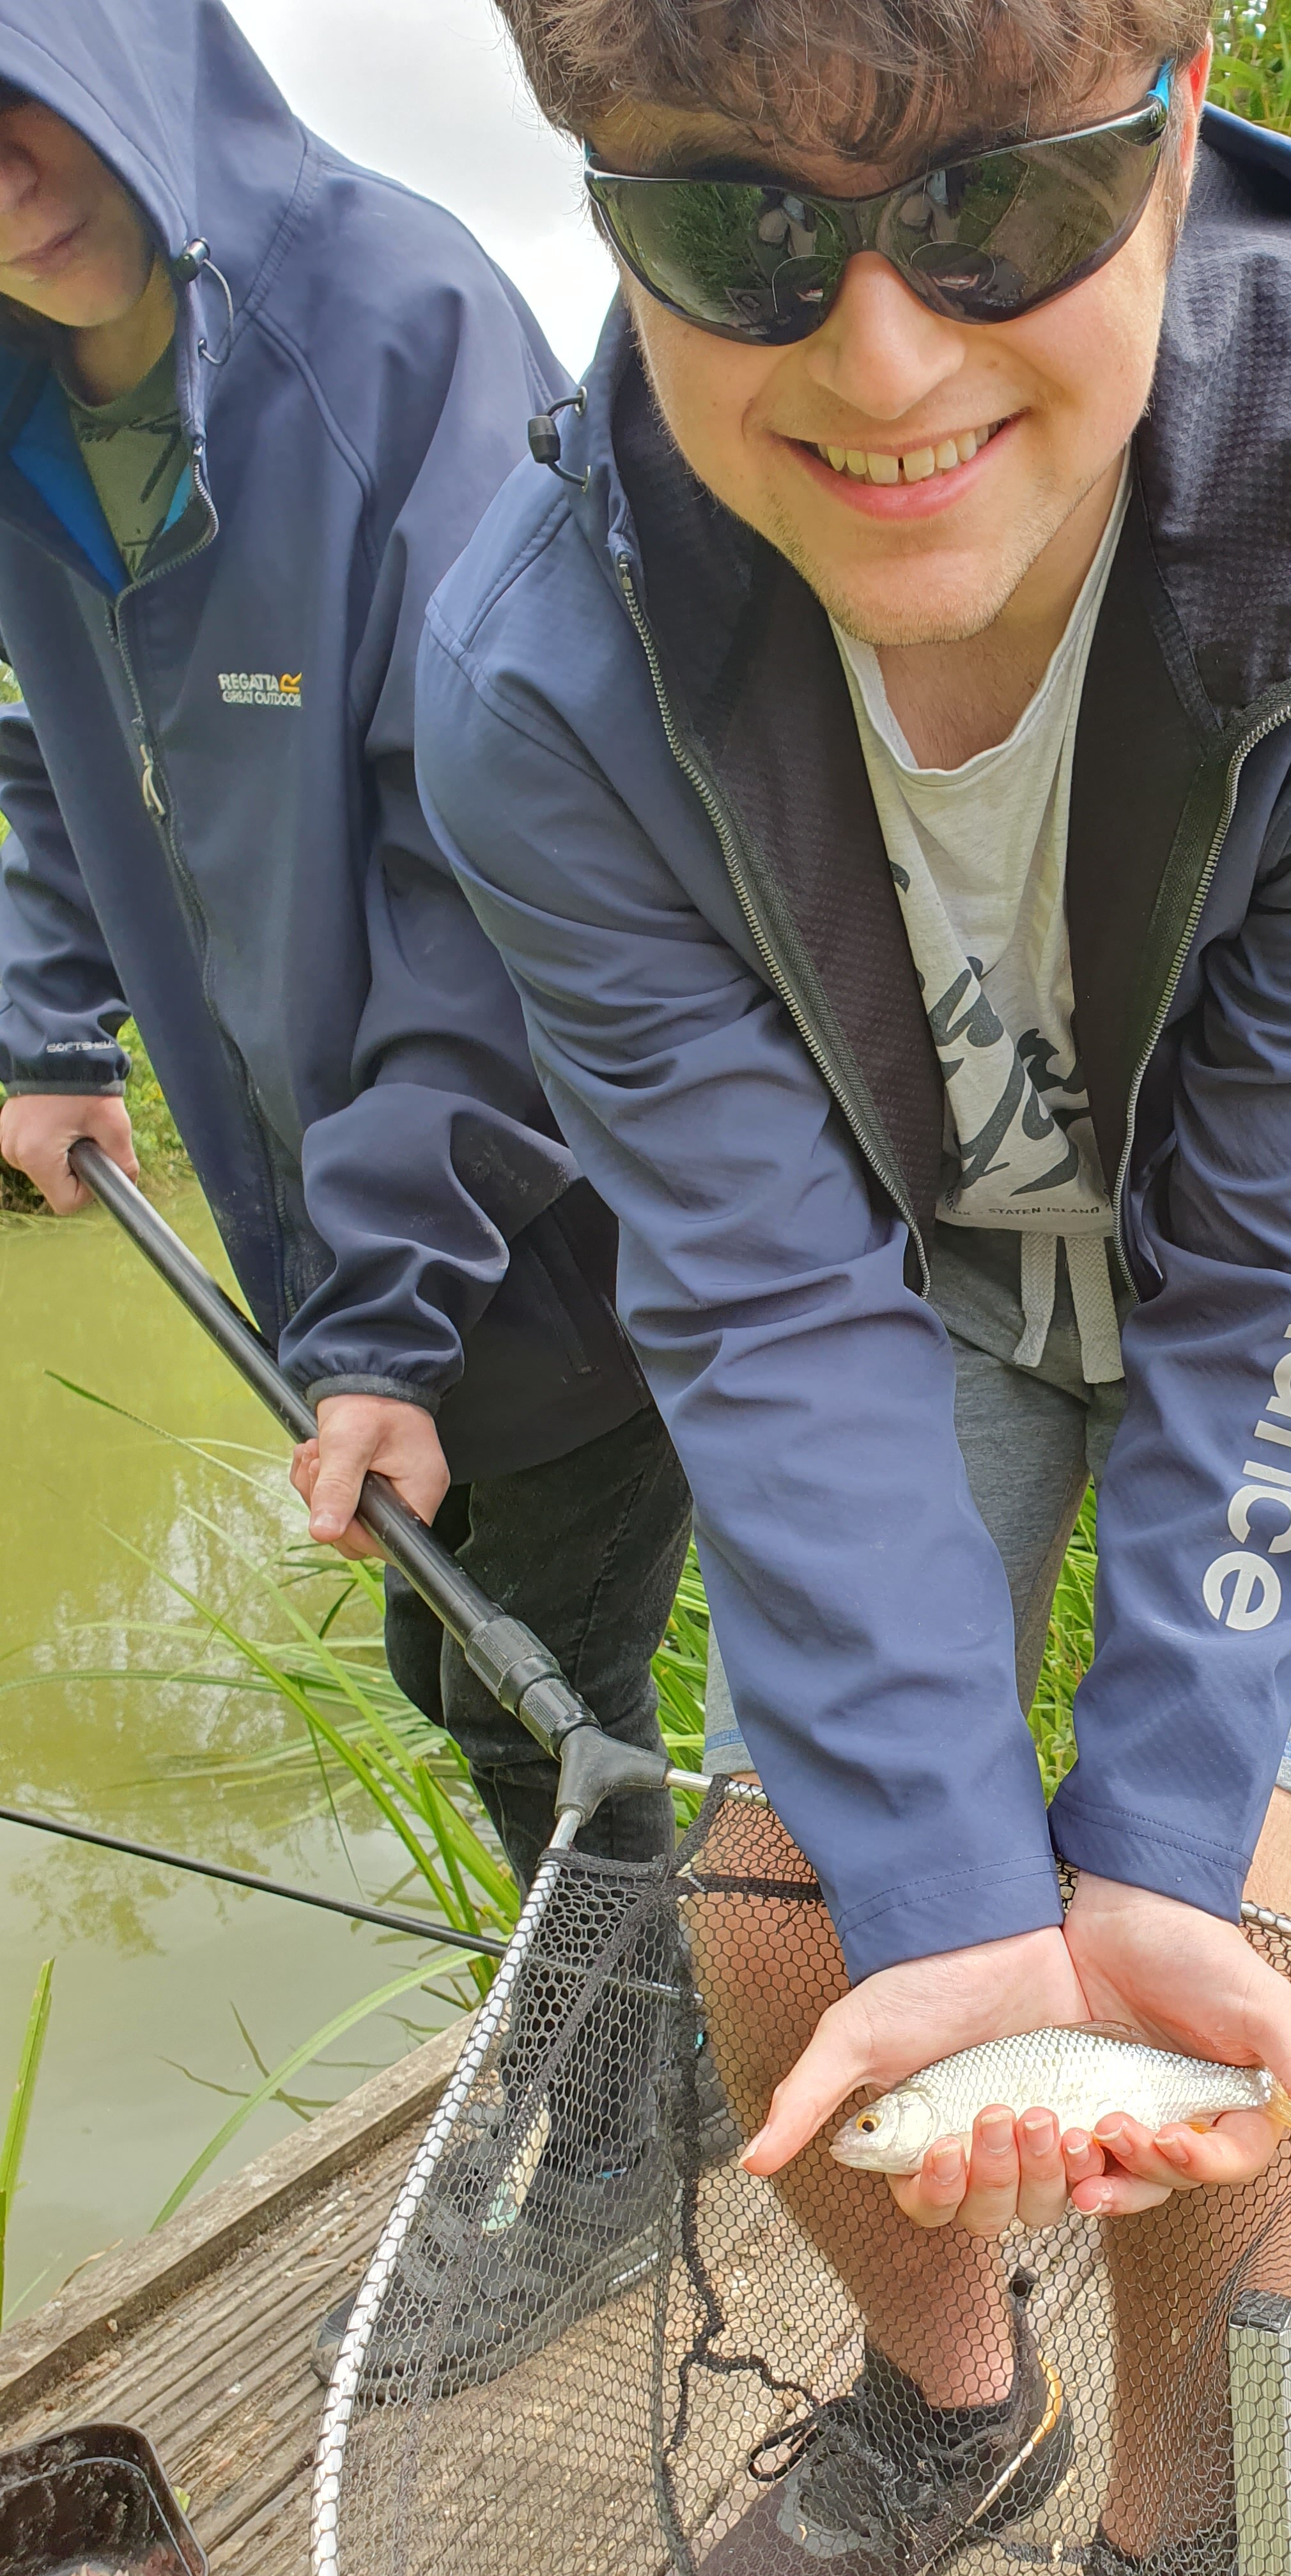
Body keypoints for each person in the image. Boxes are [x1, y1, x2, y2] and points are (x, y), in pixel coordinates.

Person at [419, 0, 1291, 2559]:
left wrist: (1142, 1863)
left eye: (994, 205)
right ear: (596, 189)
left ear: (1173, 124)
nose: (886, 355)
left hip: (1281, 1264)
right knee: (775, 1939)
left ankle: (1186, 2519)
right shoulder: (532, 689)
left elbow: (1290, 1259)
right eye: (737, 224)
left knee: (1225, 1958)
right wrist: (946, 1913)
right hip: (894, 1268)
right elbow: (755, 1298)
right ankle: (963, 2399)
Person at [0, 0, 692, 2373]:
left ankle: (624, 2140)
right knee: (463, 1654)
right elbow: (50, 733)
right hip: (343, 1198)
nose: (3, 171)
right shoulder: (19, 409)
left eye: (28, 93)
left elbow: (495, 864)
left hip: (575, 1189)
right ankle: (621, 2063)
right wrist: (39, 1024)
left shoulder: (392, 324)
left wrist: (389, 1318)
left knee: (539, 1679)